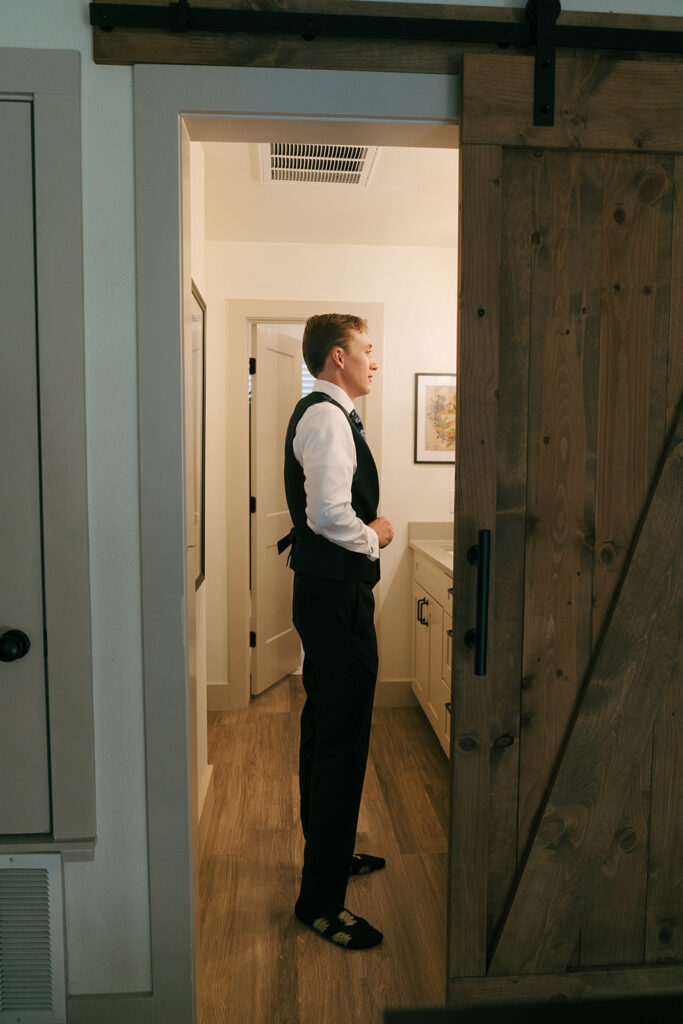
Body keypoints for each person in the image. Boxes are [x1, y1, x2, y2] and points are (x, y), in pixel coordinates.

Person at [278, 313, 394, 950]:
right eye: (367, 351)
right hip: (336, 598)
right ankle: (321, 901)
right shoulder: (326, 416)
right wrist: (373, 536)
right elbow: (327, 515)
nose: (373, 361)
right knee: (340, 741)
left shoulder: (327, 412)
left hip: (326, 596)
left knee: (325, 727)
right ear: (336, 358)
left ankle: (329, 855)